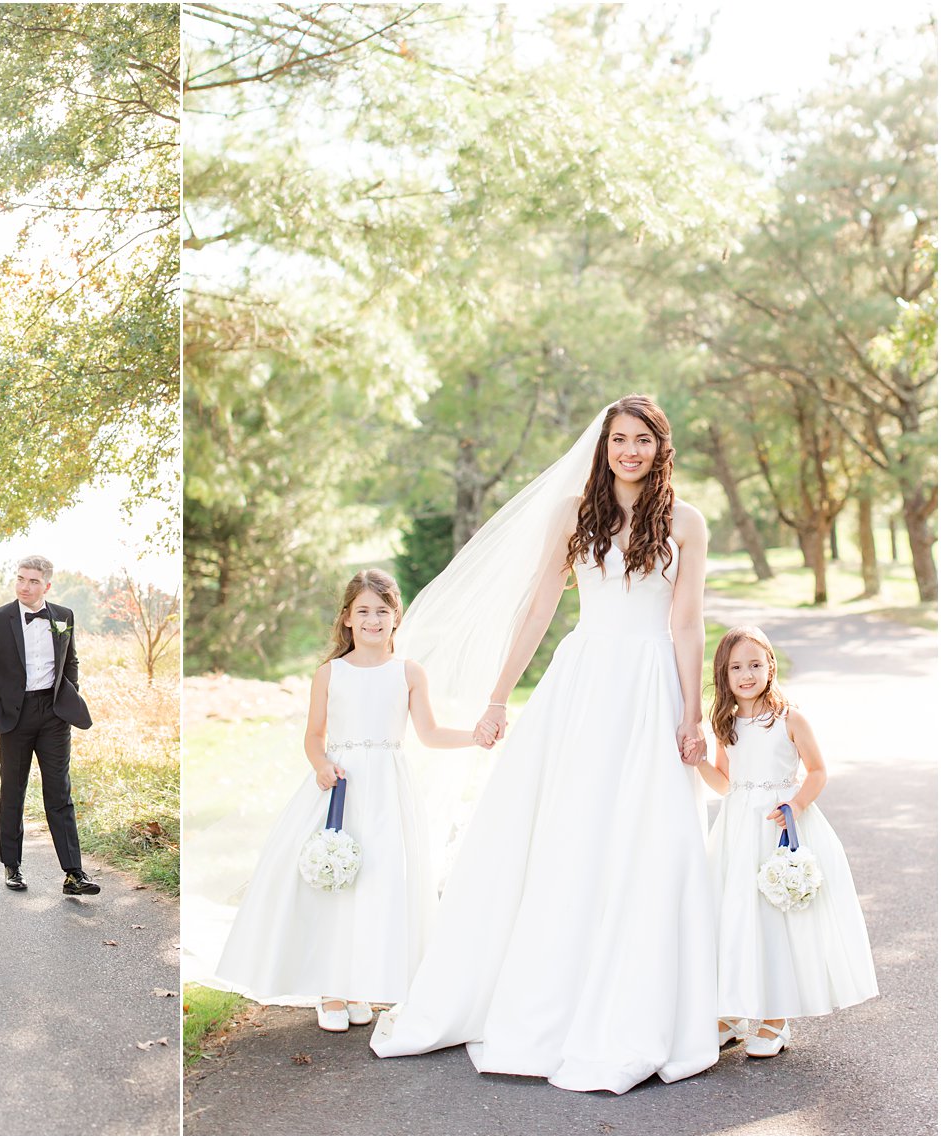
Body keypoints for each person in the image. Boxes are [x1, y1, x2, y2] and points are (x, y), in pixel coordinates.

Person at [371, 394, 719, 1094]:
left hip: (650, 685)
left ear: (661, 446)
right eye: (620, 438)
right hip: (585, 682)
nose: (629, 450)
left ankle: (634, 1000)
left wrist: (693, 712)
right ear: (604, 445)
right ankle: (544, 994)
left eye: (642, 439)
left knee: (649, 836)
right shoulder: (573, 514)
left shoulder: (686, 521)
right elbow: (538, 606)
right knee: (570, 828)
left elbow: (687, 625)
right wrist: (499, 695)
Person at [212, 569, 484, 1032]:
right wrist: (321, 765)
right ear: (346, 619)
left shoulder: (409, 673)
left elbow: (430, 733)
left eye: (382, 611)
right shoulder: (330, 673)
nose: (373, 620)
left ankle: (359, 984)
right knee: (334, 881)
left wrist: (475, 737)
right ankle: (331, 991)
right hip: (340, 787)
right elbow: (314, 736)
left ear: (396, 618)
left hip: (388, 792)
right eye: (363, 611)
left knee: (375, 882)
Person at [696, 625, 878, 1058]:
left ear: (770, 666)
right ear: (723, 674)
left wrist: (794, 806)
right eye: (736, 667)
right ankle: (735, 1010)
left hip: (780, 827)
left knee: (775, 919)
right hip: (739, 829)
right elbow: (724, 783)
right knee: (736, 915)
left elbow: (817, 771)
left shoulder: (789, 718)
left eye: (755, 665)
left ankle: (776, 1019)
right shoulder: (725, 721)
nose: (746, 674)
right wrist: (697, 761)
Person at [0, 555, 99, 896]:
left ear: (47, 586)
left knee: (59, 790)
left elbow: (70, 661)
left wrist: (67, 697)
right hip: (14, 715)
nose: (25, 586)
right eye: (21, 579)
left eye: (33, 581)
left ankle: (74, 873)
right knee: (14, 790)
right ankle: (12, 866)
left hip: (54, 715)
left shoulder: (64, 616)